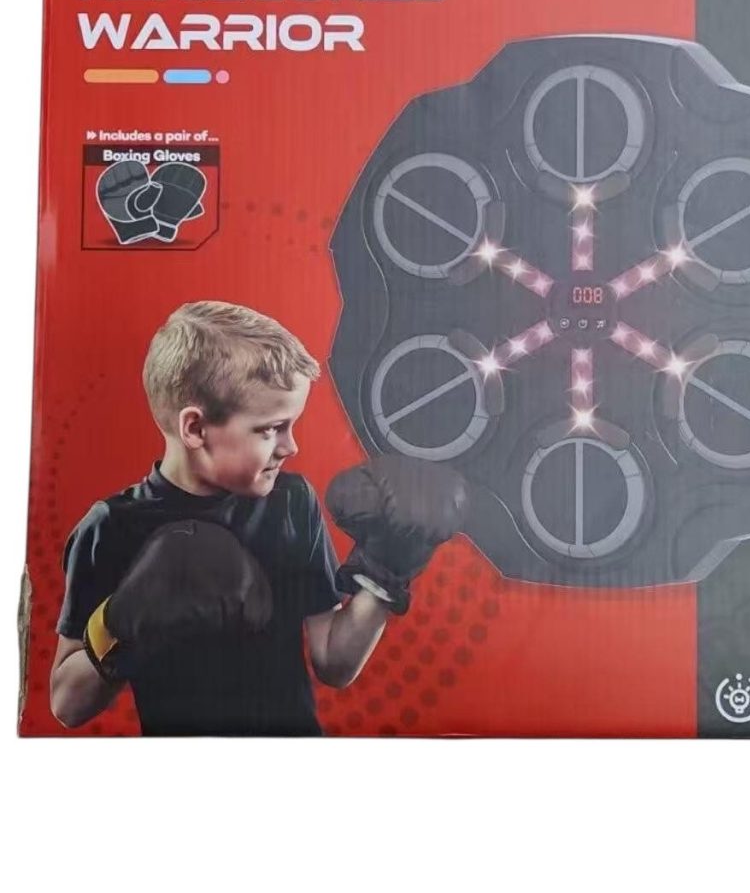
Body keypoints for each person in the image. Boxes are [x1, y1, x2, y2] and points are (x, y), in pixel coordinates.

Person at [49, 300, 467, 736]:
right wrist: (123, 620)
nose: (290, 447)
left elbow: (334, 662)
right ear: (195, 429)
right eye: (270, 429)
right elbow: (66, 705)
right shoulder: (111, 527)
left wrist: (387, 565)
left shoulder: (290, 503)